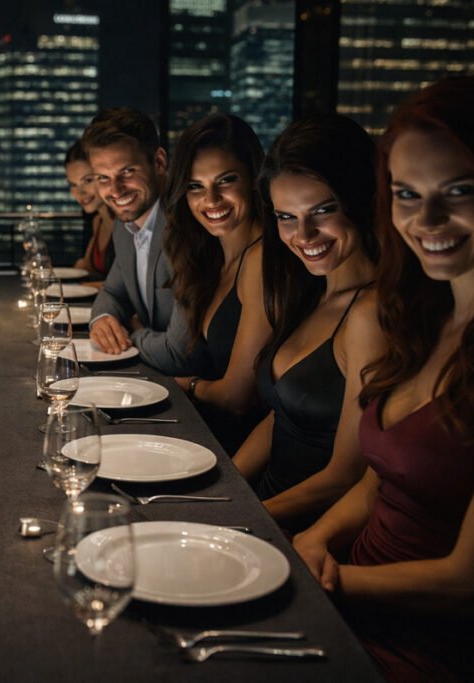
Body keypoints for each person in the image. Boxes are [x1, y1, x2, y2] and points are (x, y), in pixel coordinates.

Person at [293, 77, 474, 681]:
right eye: (407, 194)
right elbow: (380, 481)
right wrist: (314, 538)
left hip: (422, 649)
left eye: (460, 190)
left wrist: (318, 580)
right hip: (345, 605)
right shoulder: (427, 315)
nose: (428, 218)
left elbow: (473, 583)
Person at [233, 115, 380, 531]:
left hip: (303, 532)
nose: (304, 234)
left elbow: (346, 475)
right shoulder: (311, 291)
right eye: (286, 217)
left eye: (323, 210)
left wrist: (241, 518)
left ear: (361, 200)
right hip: (263, 506)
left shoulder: (370, 313)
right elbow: (281, 416)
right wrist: (222, 484)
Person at [164, 113, 270, 453]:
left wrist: (185, 385)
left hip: (239, 452)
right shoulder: (210, 257)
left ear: (253, 179)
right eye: (195, 186)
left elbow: (237, 397)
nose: (210, 200)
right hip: (206, 436)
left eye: (225, 181)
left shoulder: (261, 259)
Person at [82, 107, 193, 374]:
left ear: (159, 162)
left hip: (197, 401)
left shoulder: (187, 230)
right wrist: (103, 318)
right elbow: (112, 292)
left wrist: (133, 334)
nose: (115, 190)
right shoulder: (127, 223)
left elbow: (178, 354)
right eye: (103, 178)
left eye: (127, 172)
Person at [65, 140, 115, 285]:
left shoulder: (128, 224)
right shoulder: (98, 221)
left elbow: (126, 286)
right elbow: (85, 267)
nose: (79, 192)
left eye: (87, 180)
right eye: (73, 185)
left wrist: (80, 286)